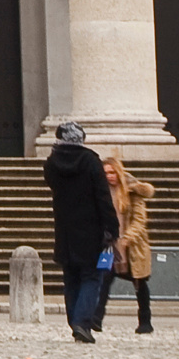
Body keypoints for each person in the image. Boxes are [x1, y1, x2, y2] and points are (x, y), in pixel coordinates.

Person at [43, 122, 120, 344]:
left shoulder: (51, 163)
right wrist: (111, 228)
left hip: (65, 229)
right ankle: (82, 322)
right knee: (91, 276)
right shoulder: (90, 161)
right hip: (91, 228)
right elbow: (102, 197)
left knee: (71, 278)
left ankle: (74, 320)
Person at [106, 155, 156, 335]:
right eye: (105, 173)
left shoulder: (133, 191)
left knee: (139, 282)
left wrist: (127, 239)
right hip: (108, 244)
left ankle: (145, 320)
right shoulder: (101, 191)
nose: (109, 176)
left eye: (112, 172)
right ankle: (95, 318)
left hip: (132, 246)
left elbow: (139, 220)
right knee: (103, 275)